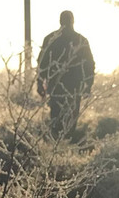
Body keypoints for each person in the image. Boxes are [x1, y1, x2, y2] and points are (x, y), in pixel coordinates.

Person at [37, 10, 95, 140]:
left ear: (60, 21)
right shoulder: (81, 40)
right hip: (74, 87)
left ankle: (58, 145)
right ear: (73, 21)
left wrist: (40, 83)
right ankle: (65, 144)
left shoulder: (50, 39)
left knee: (56, 117)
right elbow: (89, 65)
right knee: (70, 119)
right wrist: (88, 85)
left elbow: (42, 63)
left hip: (56, 86)